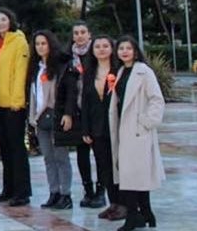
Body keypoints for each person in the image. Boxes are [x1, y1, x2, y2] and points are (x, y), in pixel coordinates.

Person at [109, 36, 165, 231]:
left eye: (128, 48)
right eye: (121, 48)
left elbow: (157, 99)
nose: (124, 51)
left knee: (132, 176)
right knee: (134, 176)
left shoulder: (144, 71)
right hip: (123, 130)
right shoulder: (122, 71)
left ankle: (134, 216)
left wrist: (146, 122)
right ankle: (147, 213)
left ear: (135, 51)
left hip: (137, 131)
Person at [0, 7, 31, 206]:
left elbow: (21, 73)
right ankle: (8, 188)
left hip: (13, 105)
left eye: (4, 19)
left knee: (17, 148)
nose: (1, 23)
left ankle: (22, 192)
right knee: (5, 149)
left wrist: (17, 102)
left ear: (10, 21)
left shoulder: (19, 41)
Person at [27, 30, 78, 209]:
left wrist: (68, 113)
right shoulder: (35, 66)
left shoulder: (62, 65)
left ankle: (66, 194)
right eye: (37, 44)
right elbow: (33, 93)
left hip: (57, 115)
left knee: (61, 157)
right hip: (40, 118)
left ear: (50, 44)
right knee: (48, 157)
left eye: (44, 43)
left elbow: (71, 91)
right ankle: (54, 192)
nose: (40, 47)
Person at [81, 36, 125, 221]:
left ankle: (124, 205)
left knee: (119, 167)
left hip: (117, 126)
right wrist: (85, 129)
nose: (101, 49)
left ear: (112, 48)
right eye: (97, 46)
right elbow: (85, 102)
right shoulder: (89, 72)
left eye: (105, 46)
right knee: (104, 167)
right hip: (97, 128)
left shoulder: (120, 71)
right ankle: (113, 203)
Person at [70, 21, 103, 208]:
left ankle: (101, 191)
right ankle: (87, 190)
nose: (80, 36)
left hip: (96, 112)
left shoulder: (96, 55)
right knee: (82, 155)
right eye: (76, 33)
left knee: (99, 154)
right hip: (78, 111)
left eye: (83, 32)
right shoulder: (70, 58)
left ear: (89, 34)